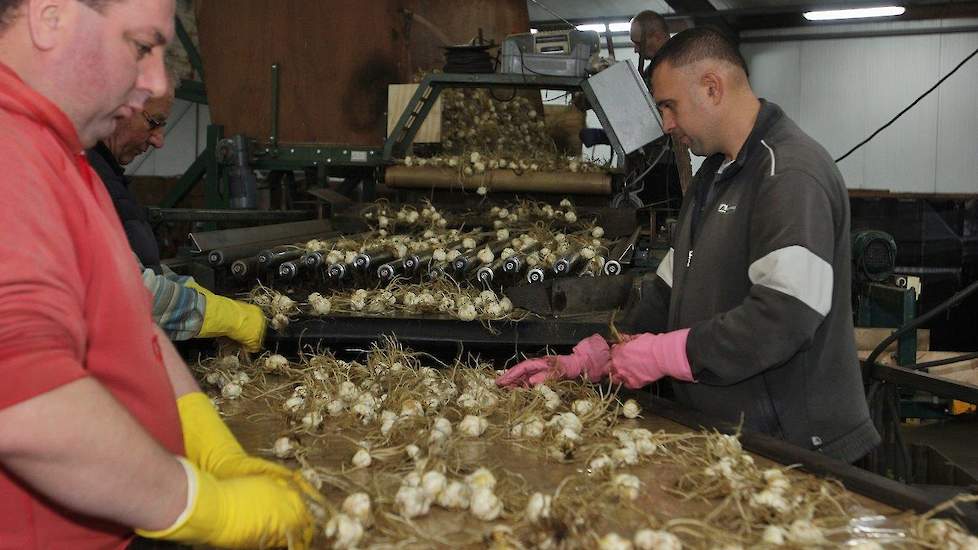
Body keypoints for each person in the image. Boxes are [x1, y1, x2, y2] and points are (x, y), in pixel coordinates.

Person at [0, 1, 319, 548]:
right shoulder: (10, 156)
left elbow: (133, 321)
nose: (154, 81)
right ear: (50, 18)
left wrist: (205, 436)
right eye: (142, 46)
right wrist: (203, 506)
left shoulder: (62, 157)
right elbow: (23, 405)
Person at [498, 28, 881, 464]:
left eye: (668, 106)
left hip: (798, 450)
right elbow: (666, 294)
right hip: (731, 439)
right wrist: (593, 358)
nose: (666, 124)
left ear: (712, 88)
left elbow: (785, 318)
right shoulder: (713, 176)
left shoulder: (789, 174)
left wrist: (667, 354)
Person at [86, 75, 266, 351]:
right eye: (154, 123)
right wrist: (219, 315)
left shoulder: (106, 175)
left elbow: (138, 265)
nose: (158, 141)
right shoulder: (81, 176)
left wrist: (189, 290)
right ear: (119, 109)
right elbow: (126, 290)